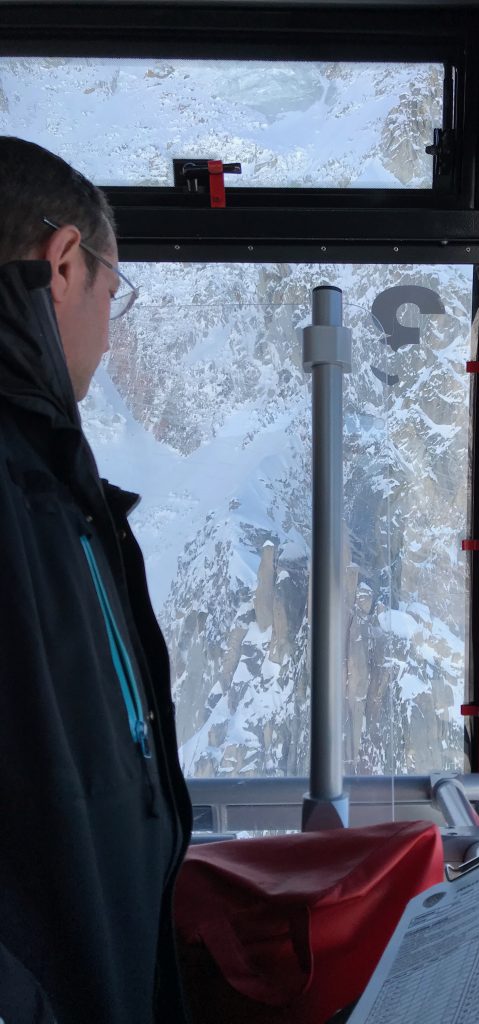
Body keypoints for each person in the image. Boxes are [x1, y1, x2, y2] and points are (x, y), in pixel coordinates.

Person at [0, 136, 192, 1023]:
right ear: (65, 262)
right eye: (114, 293)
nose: (112, 337)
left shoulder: (45, 479)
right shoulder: (23, 490)